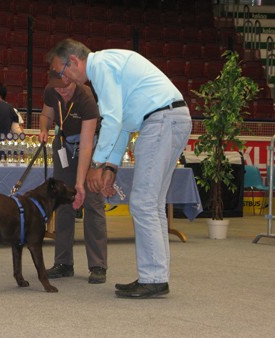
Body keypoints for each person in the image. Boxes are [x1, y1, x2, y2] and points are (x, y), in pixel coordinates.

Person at [47, 38, 192, 298]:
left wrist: (97, 165)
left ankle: (153, 279)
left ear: (74, 61)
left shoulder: (101, 66)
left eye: (61, 71)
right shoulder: (110, 65)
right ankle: (156, 276)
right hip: (173, 118)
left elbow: (112, 120)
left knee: (143, 203)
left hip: (160, 120)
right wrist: (111, 167)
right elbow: (124, 124)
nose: (64, 77)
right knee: (153, 204)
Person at [38, 70, 108, 284]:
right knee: (62, 202)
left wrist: (83, 179)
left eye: (66, 88)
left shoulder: (86, 99)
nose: (62, 92)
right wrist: (43, 129)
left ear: (75, 82)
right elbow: (46, 115)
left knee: (93, 203)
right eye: (58, 88)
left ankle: (98, 265)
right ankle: (63, 262)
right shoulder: (52, 91)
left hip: (90, 147)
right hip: (64, 147)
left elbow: (88, 143)